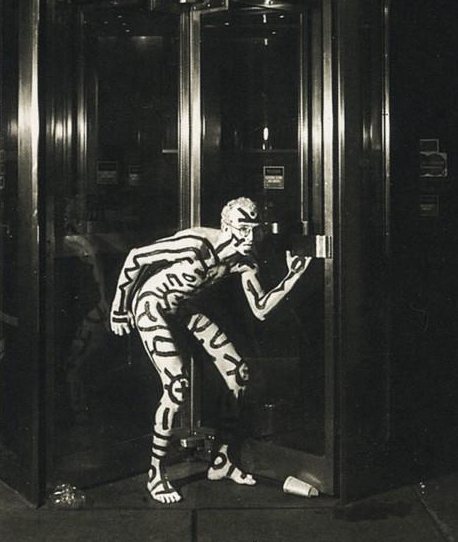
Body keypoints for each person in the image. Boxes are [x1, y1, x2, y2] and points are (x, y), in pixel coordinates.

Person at [108, 196, 313, 503]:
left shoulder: (244, 259)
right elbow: (138, 257)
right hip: (151, 304)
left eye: (254, 229)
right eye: (242, 228)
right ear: (226, 226)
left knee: (238, 374)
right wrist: (119, 308)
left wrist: (293, 275)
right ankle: (155, 472)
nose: (249, 237)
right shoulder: (196, 245)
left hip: (183, 307)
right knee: (177, 387)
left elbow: (260, 308)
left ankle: (222, 460)